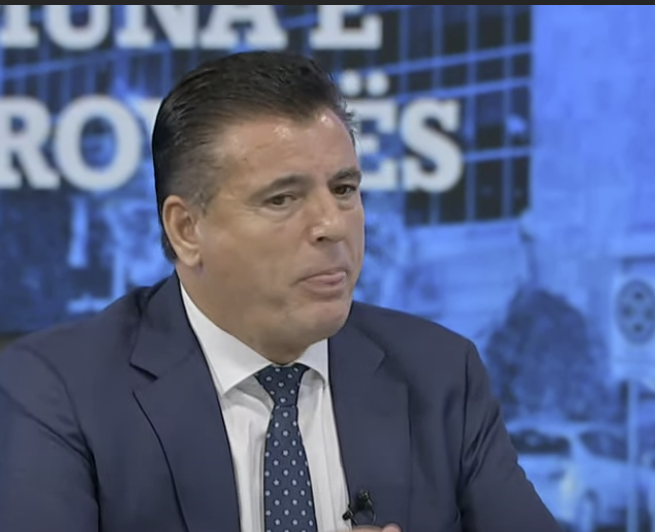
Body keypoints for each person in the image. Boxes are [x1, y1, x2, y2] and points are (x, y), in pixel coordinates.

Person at [0, 51, 562, 532]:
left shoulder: (439, 374)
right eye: (281, 199)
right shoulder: (59, 390)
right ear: (187, 230)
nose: (332, 225)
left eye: (344, 188)